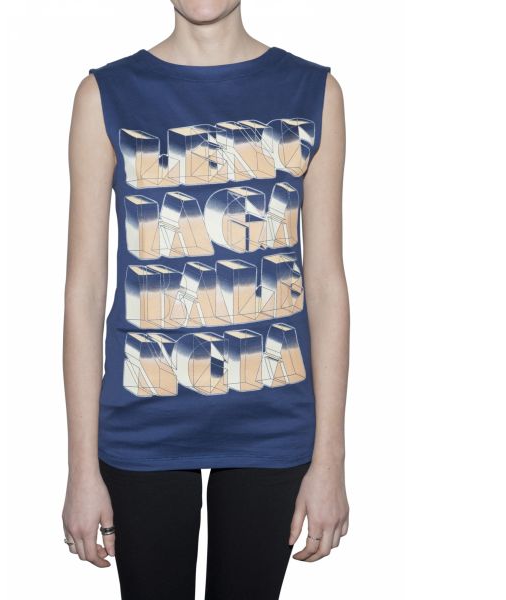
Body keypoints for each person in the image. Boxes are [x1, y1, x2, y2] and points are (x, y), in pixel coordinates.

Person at [61, 1, 349, 598]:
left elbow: (325, 283)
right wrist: (81, 469)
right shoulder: (105, 96)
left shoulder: (313, 92)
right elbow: (84, 291)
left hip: (272, 427)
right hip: (143, 428)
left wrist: (331, 461)